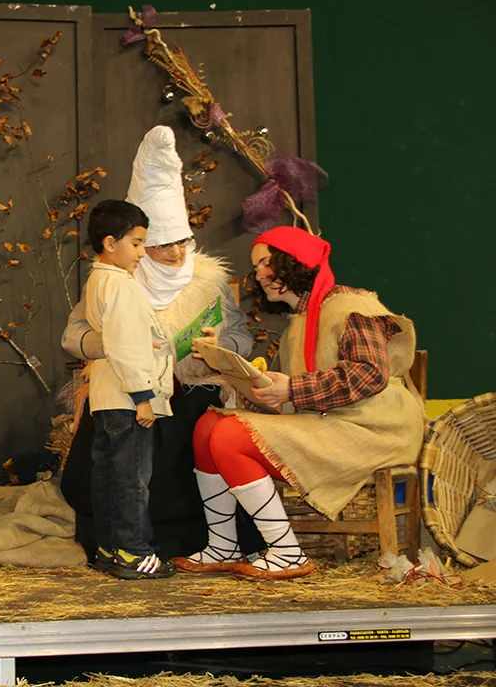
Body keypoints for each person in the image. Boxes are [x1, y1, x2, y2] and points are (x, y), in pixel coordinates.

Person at [174, 226, 425, 580]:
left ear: (294, 262)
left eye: (266, 263)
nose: (259, 275)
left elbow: (369, 373)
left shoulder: (350, 307)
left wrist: (291, 388)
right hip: (329, 423)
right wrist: (233, 370)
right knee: (208, 427)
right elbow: (289, 395)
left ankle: (287, 553)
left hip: (373, 430)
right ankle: (224, 546)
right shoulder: (299, 322)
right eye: (256, 267)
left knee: (229, 436)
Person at [61, 125, 256, 562]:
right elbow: (73, 336)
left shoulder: (210, 282)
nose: (175, 254)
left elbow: (243, 337)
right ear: (137, 246)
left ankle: (196, 542)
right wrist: (108, 343)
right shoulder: (117, 280)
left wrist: (219, 344)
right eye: (161, 245)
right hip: (132, 395)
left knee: (189, 439)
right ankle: (127, 545)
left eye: (182, 243)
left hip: (192, 393)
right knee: (117, 465)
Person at [79, 198, 176, 580]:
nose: (140, 252)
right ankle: (135, 553)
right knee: (133, 479)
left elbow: (116, 338)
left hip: (107, 395)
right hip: (129, 398)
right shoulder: (122, 285)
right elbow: (125, 345)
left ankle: (108, 548)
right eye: (136, 243)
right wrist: (143, 397)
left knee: (107, 475)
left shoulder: (98, 280)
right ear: (110, 243)